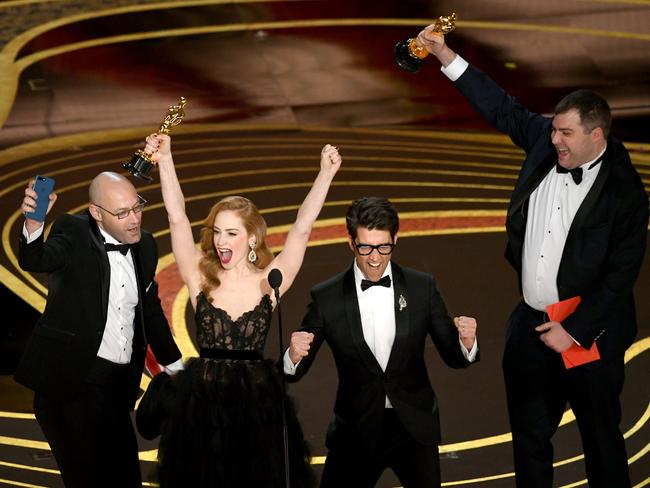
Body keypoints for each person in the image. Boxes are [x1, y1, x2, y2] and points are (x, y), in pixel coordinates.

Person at [415, 26, 649, 488]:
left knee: (601, 442)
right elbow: (500, 106)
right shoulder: (546, 141)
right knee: (529, 441)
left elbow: (621, 278)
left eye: (566, 133)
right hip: (531, 326)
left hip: (588, 334)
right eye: (554, 129)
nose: (555, 139)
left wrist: (575, 333)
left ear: (596, 135)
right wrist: (444, 54)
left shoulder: (626, 193)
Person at [134, 134, 342, 488]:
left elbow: (302, 230)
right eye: (217, 232)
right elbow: (177, 218)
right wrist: (166, 159)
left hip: (256, 413)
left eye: (231, 233)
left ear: (252, 239)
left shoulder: (270, 281)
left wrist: (325, 174)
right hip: (200, 410)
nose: (220, 241)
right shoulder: (200, 275)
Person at [283, 196, 479, 488]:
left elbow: (453, 355)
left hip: (414, 428)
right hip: (355, 429)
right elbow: (294, 371)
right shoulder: (327, 297)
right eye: (365, 247)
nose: (375, 258)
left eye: (384, 247)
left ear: (395, 239)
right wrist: (294, 355)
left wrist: (467, 341)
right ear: (350, 243)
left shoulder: (420, 287)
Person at [15, 172, 184, 488]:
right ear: (96, 213)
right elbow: (36, 258)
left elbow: (149, 309)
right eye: (121, 213)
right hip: (71, 384)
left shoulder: (144, 244)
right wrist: (34, 224)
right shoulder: (74, 231)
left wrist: (177, 368)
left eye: (137, 207)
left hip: (118, 389)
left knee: (125, 478)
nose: (134, 219)